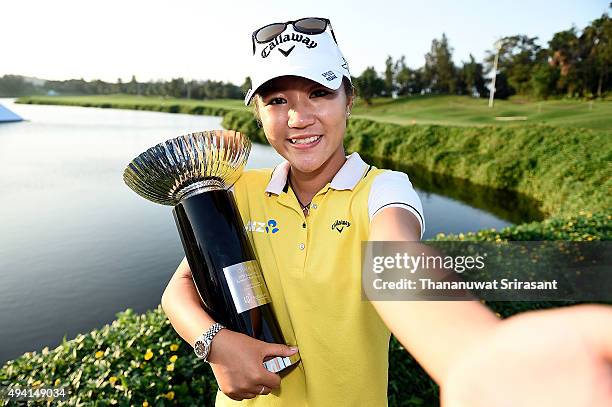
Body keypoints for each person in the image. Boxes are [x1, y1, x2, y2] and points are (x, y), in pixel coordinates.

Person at [161, 17, 612, 406]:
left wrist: (471, 350)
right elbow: (179, 289)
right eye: (277, 101)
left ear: (349, 100)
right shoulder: (238, 190)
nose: (298, 118)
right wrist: (214, 343)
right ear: (257, 114)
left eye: (318, 93)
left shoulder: (382, 189)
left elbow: (398, 263)